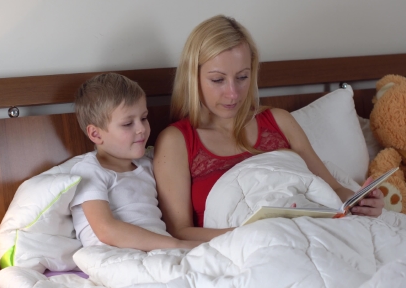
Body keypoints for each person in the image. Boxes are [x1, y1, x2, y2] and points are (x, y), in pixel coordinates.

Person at [153, 15, 385, 242]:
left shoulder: (279, 122)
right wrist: (258, 234)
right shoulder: (177, 141)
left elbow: (334, 190)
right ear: (193, 76)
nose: (233, 93)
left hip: (312, 234)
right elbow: (180, 231)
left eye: (242, 77)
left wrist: (361, 202)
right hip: (247, 249)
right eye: (218, 80)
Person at [69, 73, 202, 251]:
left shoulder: (150, 164)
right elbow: (106, 230)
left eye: (144, 118)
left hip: (161, 250)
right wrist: (177, 245)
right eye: (127, 124)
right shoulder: (89, 170)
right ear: (96, 134)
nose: (141, 129)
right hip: (113, 253)